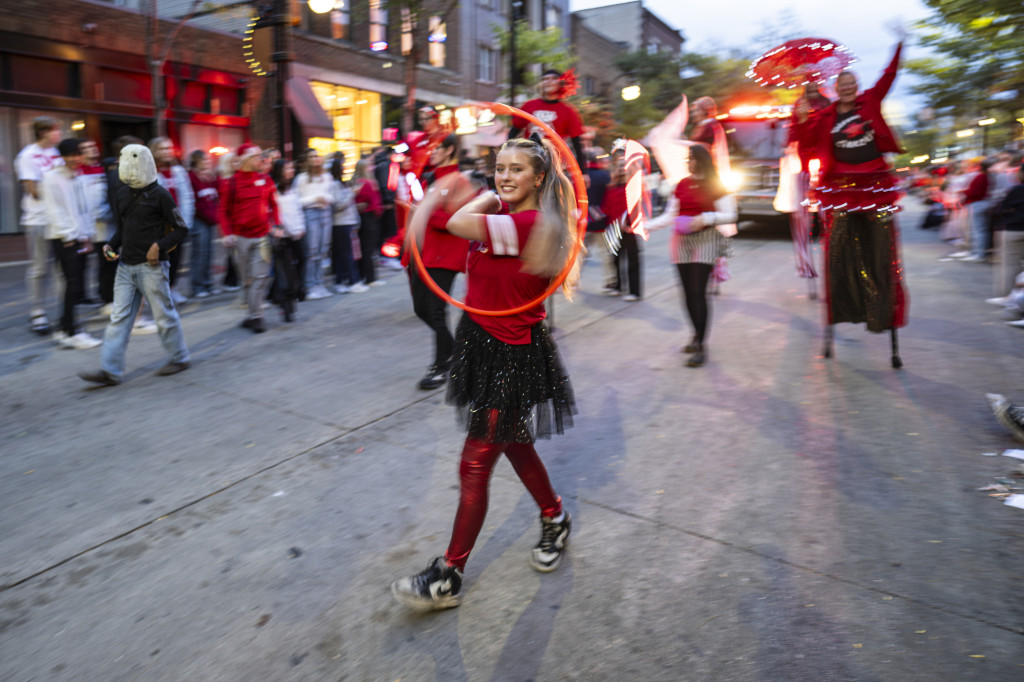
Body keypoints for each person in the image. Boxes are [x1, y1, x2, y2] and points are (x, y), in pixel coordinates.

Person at [391, 136, 580, 611]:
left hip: (510, 354)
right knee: (513, 440)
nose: (504, 177)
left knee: (474, 462)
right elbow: (453, 226)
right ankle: (555, 516)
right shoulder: (510, 219)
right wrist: (480, 193)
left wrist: (478, 193)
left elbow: (454, 221)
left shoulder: (528, 224)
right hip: (484, 341)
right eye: (499, 168)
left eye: (517, 169)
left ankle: (449, 574)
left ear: (539, 178)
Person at [794, 37, 909, 367]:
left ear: (857, 86)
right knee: (839, 257)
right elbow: (806, 145)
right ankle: (839, 315)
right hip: (840, 192)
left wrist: (898, 46)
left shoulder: (870, 101)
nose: (846, 87)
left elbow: (890, 75)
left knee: (881, 257)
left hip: (875, 190)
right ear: (836, 88)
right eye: (841, 84)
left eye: (851, 83)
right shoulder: (825, 115)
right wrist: (802, 120)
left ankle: (883, 316)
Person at [78, 144, 190, 386]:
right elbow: (124, 228)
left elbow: (181, 228)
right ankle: (110, 370)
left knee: (163, 315)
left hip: (153, 268)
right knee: (119, 317)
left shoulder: (161, 195)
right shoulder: (122, 193)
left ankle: (179, 357)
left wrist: (159, 246)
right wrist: (111, 245)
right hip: (126, 268)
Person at [404, 133, 475, 390]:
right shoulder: (429, 178)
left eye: (436, 148)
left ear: (450, 150)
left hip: (443, 257)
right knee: (421, 309)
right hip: (421, 255)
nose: (431, 152)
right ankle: (453, 351)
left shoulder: (459, 181)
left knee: (434, 311)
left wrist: (427, 213)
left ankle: (440, 366)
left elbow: (460, 220)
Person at [657, 144, 735, 367]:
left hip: (707, 239)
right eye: (687, 159)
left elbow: (731, 214)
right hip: (680, 241)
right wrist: (642, 226)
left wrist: (707, 218)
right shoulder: (681, 184)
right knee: (688, 294)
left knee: (698, 292)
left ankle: (701, 345)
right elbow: (669, 216)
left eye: (691, 158)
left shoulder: (715, 184)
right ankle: (695, 333)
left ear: (701, 160)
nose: (687, 162)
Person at [41, 138, 102, 350]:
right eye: (72, 155)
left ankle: (65, 328)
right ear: (63, 156)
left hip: (79, 237)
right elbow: (54, 210)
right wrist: (69, 237)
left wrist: (87, 235)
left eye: (79, 154)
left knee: (76, 283)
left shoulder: (79, 177)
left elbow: (84, 210)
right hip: (63, 238)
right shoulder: (51, 177)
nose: (76, 159)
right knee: (71, 283)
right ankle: (72, 331)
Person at [219, 142, 279, 334]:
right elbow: (223, 211)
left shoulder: (266, 179)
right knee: (247, 280)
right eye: (256, 156)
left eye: (261, 155)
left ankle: (257, 317)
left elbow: (275, 204)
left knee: (259, 279)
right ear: (245, 159)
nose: (261, 159)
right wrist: (227, 234)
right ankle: (252, 314)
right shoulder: (232, 183)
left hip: (262, 237)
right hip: (240, 239)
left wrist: (276, 225)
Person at [16, 116, 63, 335]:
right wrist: (58, 190)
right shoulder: (27, 156)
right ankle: (38, 312)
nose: (59, 134)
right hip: (38, 219)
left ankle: (65, 312)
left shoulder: (57, 154)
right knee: (40, 268)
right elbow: (32, 191)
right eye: (55, 130)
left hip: (59, 219)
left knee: (62, 268)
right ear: (43, 132)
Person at [149, 137, 195, 305]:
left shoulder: (179, 171)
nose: (167, 152)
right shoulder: (149, 173)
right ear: (154, 151)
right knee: (158, 261)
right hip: (158, 227)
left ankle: (172, 289)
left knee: (176, 260)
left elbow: (188, 197)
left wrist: (186, 222)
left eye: (169, 148)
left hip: (177, 225)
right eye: (162, 149)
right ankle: (157, 294)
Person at [509, 69, 585, 167]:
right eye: (545, 79)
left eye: (553, 78)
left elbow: (577, 144)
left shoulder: (568, 111)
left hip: (553, 164)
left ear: (561, 84)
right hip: (529, 161)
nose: (548, 81)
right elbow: (513, 133)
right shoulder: (528, 106)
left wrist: (583, 172)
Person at [78, 139, 117, 310]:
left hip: (106, 228)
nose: (91, 149)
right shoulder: (77, 174)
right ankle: (81, 298)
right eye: (86, 148)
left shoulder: (106, 171)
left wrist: (109, 212)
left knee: (109, 262)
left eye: (93, 146)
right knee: (80, 265)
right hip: (83, 229)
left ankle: (108, 298)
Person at [601, 147, 643, 301]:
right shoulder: (611, 188)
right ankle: (619, 286)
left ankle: (634, 291)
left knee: (632, 260)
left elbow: (636, 208)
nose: (621, 168)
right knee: (616, 259)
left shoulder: (632, 187)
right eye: (618, 165)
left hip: (628, 228)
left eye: (623, 165)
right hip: (613, 229)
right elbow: (606, 207)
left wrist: (631, 223)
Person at [294, 148, 334, 300]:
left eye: (317, 156)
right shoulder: (302, 178)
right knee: (311, 252)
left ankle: (319, 283)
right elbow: (297, 200)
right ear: (307, 159)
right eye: (312, 156)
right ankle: (310, 285)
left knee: (322, 251)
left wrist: (325, 199)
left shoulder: (327, 176)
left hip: (325, 212)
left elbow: (331, 195)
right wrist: (315, 199)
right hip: (310, 214)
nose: (316, 158)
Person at [269, 158, 305, 322]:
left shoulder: (293, 188)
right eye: (288, 168)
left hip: (297, 234)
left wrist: (301, 227)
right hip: (282, 236)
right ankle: (287, 305)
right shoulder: (273, 189)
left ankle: (280, 296)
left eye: (292, 167)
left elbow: (297, 210)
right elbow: (278, 214)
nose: (291, 170)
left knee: (299, 264)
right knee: (285, 272)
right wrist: (284, 230)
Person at [329, 151, 365, 294]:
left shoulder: (342, 184)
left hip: (348, 222)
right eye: (343, 166)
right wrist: (352, 194)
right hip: (341, 224)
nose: (345, 168)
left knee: (345, 254)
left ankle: (340, 281)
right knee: (347, 254)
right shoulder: (335, 185)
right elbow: (337, 206)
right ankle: (352, 281)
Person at [187, 149, 219, 298]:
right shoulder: (191, 177)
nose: (208, 162)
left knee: (208, 253)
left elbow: (217, 195)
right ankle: (198, 287)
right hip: (198, 220)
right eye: (205, 159)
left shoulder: (211, 177)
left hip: (210, 220)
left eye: (208, 159)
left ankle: (208, 284)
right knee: (200, 253)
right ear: (197, 161)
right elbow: (194, 201)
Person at [353, 158, 384, 287]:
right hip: (369, 218)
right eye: (369, 166)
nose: (372, 167)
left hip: (367, 217)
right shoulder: (366, 183)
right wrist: (377, 212)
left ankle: (366, 276)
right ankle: (370, 278)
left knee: (366, 249)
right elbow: (372, 201)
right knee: (368, 249)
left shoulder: (361, 182)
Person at [216, 152, 242, 292]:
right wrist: (226, 232)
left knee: (235, 255)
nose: (238, 164)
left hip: (240, 223)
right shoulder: (226, 182)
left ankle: (231, 280)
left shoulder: (239, 179)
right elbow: (223, 209)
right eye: (234, 162)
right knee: (234, 255)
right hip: (232, 225)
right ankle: (230, 281)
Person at [962, 157, 992, 262]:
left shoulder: (981, 176)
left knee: (978, 230)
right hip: (980, 202)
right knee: (979, 230)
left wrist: (965, 193)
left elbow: (975, 192)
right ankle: (978, 251)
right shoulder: (985, 176)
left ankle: (979, 252)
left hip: (977, 203)